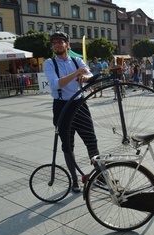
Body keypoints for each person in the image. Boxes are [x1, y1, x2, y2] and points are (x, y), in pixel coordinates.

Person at [43, 32, 100, 193]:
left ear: (67, 44)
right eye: (54, 43)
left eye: (60, 42)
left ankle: (99, 174)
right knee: (68, 145)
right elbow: (55, 85)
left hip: (80, 104)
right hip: (62, 106)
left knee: (91, 140)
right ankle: (75, 180)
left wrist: (86, 77)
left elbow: (88, 73)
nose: (57, 45)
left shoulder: (76, 60)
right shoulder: (49, 63)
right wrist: (76, 74)